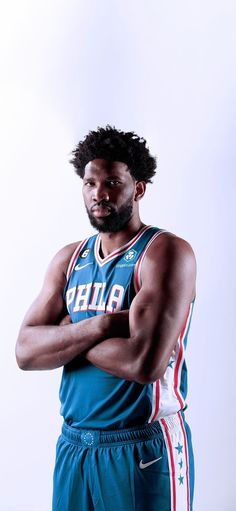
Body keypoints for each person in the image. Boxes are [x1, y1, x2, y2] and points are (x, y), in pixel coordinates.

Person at [16, 125, 196, 511]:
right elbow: (25, 352)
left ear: (139, 188)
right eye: (90, 183)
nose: (99, 193)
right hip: (74, 445)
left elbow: (142, 362)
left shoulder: (164, 253)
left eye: (113, 181)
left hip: (142, 446)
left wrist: (65, 336)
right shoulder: (69, 259)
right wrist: (99, 325)